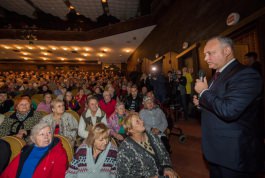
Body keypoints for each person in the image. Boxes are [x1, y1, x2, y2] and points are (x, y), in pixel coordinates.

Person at [193, 36, 263, 178]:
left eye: (210, 53)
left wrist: (204, 92)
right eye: (205, 54)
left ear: (227, 51)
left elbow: (229, 110)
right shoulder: (217, 74)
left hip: (233, 153)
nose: (206, 58)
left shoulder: (246, 74)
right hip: (216, 149)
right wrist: (201, 103)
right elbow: (217, 102)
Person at [117, 113, 178, 178]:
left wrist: (167, 168)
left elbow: (165, 154)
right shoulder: (125, 148)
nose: (142, 121)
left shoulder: (153, 136)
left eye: (140, 119)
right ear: (130, 130)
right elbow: (122, 175)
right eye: (137, 121)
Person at [1, 122, 68, 178]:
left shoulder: (58, 152)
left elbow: (58, 175)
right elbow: (9, 171)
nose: (46, 137)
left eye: (49, 133)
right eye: (42, 134)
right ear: (33, 139)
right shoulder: (26, 150)